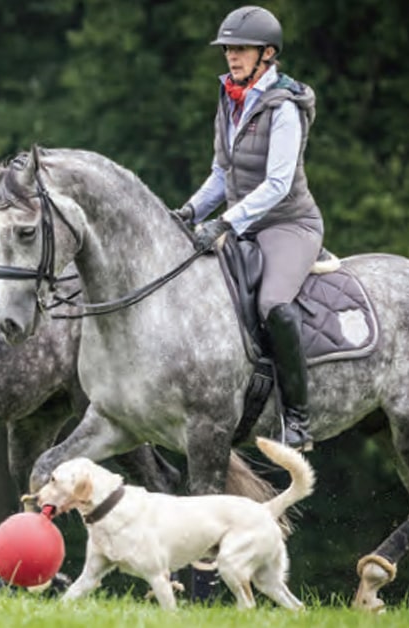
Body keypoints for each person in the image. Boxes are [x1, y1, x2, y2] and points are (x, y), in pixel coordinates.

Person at [173, 5, 321, 451]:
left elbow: (277, 185)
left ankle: (298, 419)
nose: (232, 57)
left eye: (241, 49)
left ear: (267, 54)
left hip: (288, 224)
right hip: (242, 224)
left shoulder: (285, 106)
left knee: (274, 303)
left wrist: (224, 221)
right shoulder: (229, 96)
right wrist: (188, 213)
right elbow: (222, 174)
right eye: (228, 49)